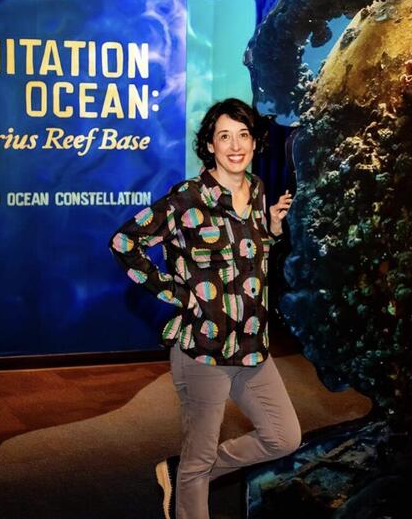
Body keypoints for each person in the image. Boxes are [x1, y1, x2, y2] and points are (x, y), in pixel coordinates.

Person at [109, 98, 301, 519]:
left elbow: (248, 259)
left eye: (243, 135)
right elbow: (125, 243)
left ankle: (185, 471)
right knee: (199, 461)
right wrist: (177, 295)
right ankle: (190, 476)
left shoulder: (259, 191)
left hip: (252, 347)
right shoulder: (185, 200)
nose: (235, 145)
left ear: (254, 143)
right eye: (224, 136)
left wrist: (270, 230)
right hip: (203, 350)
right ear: (210, 146)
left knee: (283, 438)